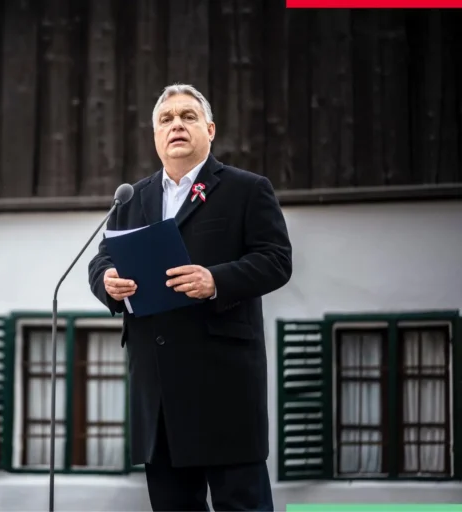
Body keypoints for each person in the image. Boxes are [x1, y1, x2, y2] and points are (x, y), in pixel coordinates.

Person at [87, 83, 292, 511]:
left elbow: (276, 260)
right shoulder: (131, 198)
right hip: (158, 394)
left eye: (188, 116)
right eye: (166, 119)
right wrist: (107, 280)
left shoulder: (246, 189)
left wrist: (215, 280)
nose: (176, 124)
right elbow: (102, 258)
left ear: (210, 130)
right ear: (155, 136)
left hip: (224, 388)